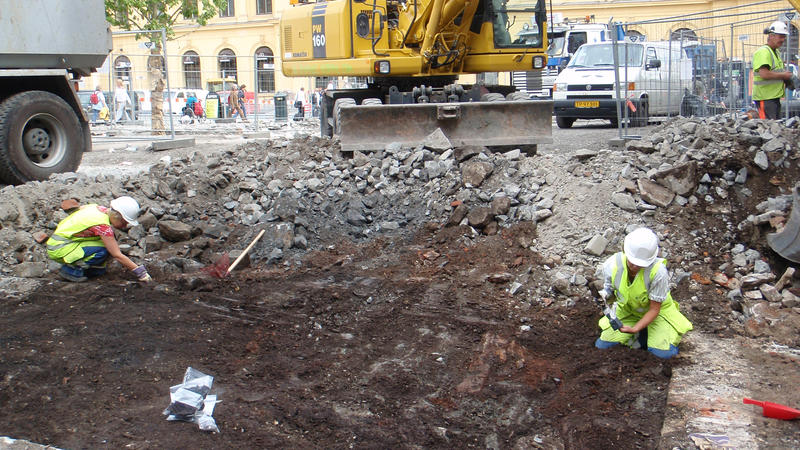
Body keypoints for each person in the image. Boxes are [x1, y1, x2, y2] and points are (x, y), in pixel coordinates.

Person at [594, 227, 693, 359]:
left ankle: (649, 334)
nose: (635, 266)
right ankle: (642, 337)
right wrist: (604, 294)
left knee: (662, 355)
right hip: (628, 312)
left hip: (658, 315)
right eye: (633, 262)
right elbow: (609, 289)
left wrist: (635, 328)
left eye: (640, 264)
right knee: (603, 346)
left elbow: (654, 309)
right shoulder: (613, 264)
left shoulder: (658, 272)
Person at [46, 196, 152, 283]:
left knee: (106, 244)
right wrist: (140, 272)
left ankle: (90, 268)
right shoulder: (102, 225)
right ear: (117, 215)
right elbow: (116, 254)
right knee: (104, 250)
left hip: (61, 243)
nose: (125, 226)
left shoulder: (96, 208)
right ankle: (71, 270)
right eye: (124, 222)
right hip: (59, 248)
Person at [752, 21, 793, 119]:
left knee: (774, 128)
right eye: (781, 36)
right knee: (767, 128)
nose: (783, 39)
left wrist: (787, 79)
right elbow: (764, 74)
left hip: (772, 98)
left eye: (784, 36)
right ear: (771, 36)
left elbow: (777, 72)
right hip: (764, 98)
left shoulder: (776, 52)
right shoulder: (763, 52)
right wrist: (784, 76)